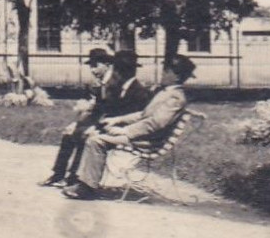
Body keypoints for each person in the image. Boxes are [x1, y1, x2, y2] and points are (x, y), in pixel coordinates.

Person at [62, 54, 196, 200]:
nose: (162, 73)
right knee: (93, 136)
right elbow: (143, 115)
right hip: (141, 136)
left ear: (176, 76)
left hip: (147, 141)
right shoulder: (166, 92)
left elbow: (155, 123)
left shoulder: (175, 97)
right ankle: (83, 182)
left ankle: (87, 188)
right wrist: (117, 120)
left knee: (96, 141)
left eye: (166, 71)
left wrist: (125, 131)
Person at [38, 48, 153, 187]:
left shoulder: (118, 84)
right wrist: (79, 123)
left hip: (119, 128)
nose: (92, 70)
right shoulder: (111, 83)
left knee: (82, 134)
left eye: (95, 65)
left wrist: (93, 127)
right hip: (109, 123)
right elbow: (100, 109)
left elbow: (116, 113)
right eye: (91, 66)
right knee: (70, 134)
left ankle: (73, 177)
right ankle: (59, 174)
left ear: (108, 65)